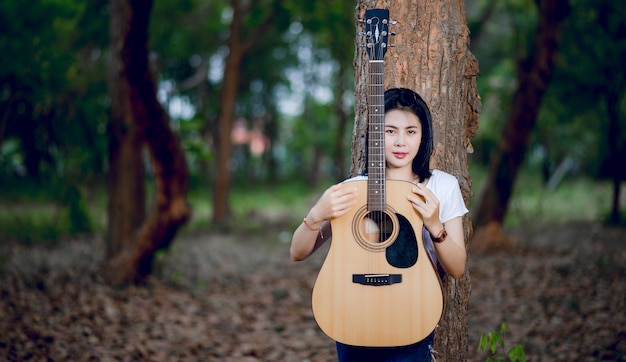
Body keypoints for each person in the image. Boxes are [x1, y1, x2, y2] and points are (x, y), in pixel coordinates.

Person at [290, 87, 468, 361]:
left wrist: (434, 226)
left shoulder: (441, 186)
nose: (400, 141)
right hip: (352, 311)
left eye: (411, 131)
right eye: (389, 131)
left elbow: (456, 268)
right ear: (375, 136)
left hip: (411, 312)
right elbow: (298, 253)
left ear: (423, 136)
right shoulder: (353, 191)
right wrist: (315, 215)